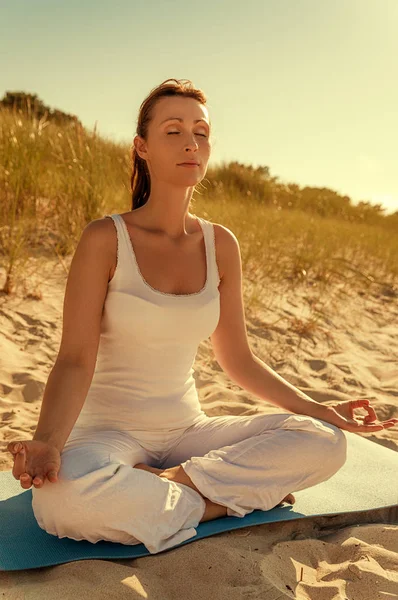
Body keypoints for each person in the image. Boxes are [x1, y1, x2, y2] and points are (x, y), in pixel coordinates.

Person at [7, 79, 398, 555]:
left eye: (201, 132)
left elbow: (238, 360)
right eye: (173, 131)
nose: (191, 142)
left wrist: (319, 409)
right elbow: (73, 359)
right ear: (142, 147)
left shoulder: (221, 244)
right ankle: (225, 499)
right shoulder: (105, 239)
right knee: (61, 505)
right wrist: (48, 441)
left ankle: (173, 487)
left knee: (324, 441)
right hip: (105, 435)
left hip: (188, 433)